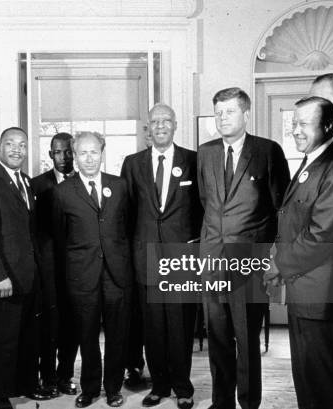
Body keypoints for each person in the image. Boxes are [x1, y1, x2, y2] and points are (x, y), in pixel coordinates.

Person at [197, 87, 290, 409]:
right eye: (218, 112)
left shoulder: (267, 151)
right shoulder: (206, 153)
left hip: (248, 260)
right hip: (211, 261)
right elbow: (206, 204)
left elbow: (282, 207)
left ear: (246, 115)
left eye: (230, 111)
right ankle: (221, 403)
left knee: (247, 339)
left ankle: (249, 403)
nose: (223, 118)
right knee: (218, 338)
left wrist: (273, 257)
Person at [271, 96, 333, 408]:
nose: (296, 130)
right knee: (307, 380)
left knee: (325, 383)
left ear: (327, 126)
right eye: (293, 124)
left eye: (304, 124)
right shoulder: (311, 161)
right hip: (303, 292)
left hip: (321, 297)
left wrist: (277, 264)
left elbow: (321, 234)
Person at [120, 103, 203, 409]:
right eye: (155, 122)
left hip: (182, 259)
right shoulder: (133, 163)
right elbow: (126, 214)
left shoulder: (193, 161)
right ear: (148, 128)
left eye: (166, 121)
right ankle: (160, 386)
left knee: (181, 328)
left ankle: (183, 387)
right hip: (146, 259)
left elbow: (202, 209)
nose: (160, 126)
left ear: (175, 124)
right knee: (153, 329)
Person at [0, 127, 50, 409]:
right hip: (4, 277)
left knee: (28, 336)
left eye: (22, 145)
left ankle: (27, 386)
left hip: (29, 275)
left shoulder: (26, 181)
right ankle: (0, 394)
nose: (17, 149)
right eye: (10, 144)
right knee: (4, 339)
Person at [52, 131, 132, 408]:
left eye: (94, 152)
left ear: (102, 153)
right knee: (86, 336)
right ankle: (89, 389)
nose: (88, 158)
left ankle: (113, 388)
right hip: (82, 276)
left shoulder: (119, 186)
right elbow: (59, 238)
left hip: (116, 274)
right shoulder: (62, 192)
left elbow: (128, 228)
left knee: (117, 336)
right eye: (82, 152)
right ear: (74, 155)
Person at [30, 132, 78, 397]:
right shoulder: (36, 185)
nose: (64, 157)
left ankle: (65, 376)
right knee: (48, 325)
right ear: (50, 155)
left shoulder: (84, 182)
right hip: (47, 268)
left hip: (76, 269)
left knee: (72, 325)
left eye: (69, 151)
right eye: (58, 152)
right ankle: (47, 377)